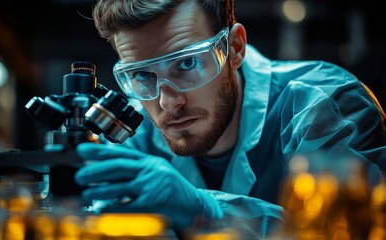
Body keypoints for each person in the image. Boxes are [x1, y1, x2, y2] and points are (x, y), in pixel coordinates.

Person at [73, 0, 386, 238]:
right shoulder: (134, 135)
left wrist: (208, 210)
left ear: (234, 48)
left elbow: (349, 232)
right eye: (142, 75)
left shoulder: (323, 106)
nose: (167, 102)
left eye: (187, 63)